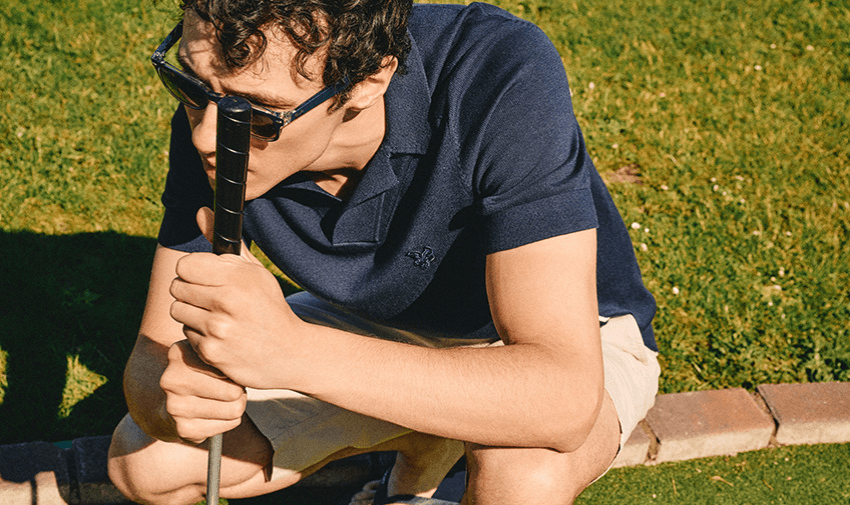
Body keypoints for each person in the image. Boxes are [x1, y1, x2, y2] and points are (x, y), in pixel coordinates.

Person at [107, 1, 660, 504]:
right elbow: (150, 366)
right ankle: (427, 436)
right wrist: (172, 396)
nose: (207, 136)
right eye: (190, 84)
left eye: (261, 113)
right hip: (376, 325)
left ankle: (430, 443)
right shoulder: (225, 107)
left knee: (525, 478)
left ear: (369, 80)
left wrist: (293, 351)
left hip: (567, 335)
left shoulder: (496, 68)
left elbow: (561, 397)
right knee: (147, 461)